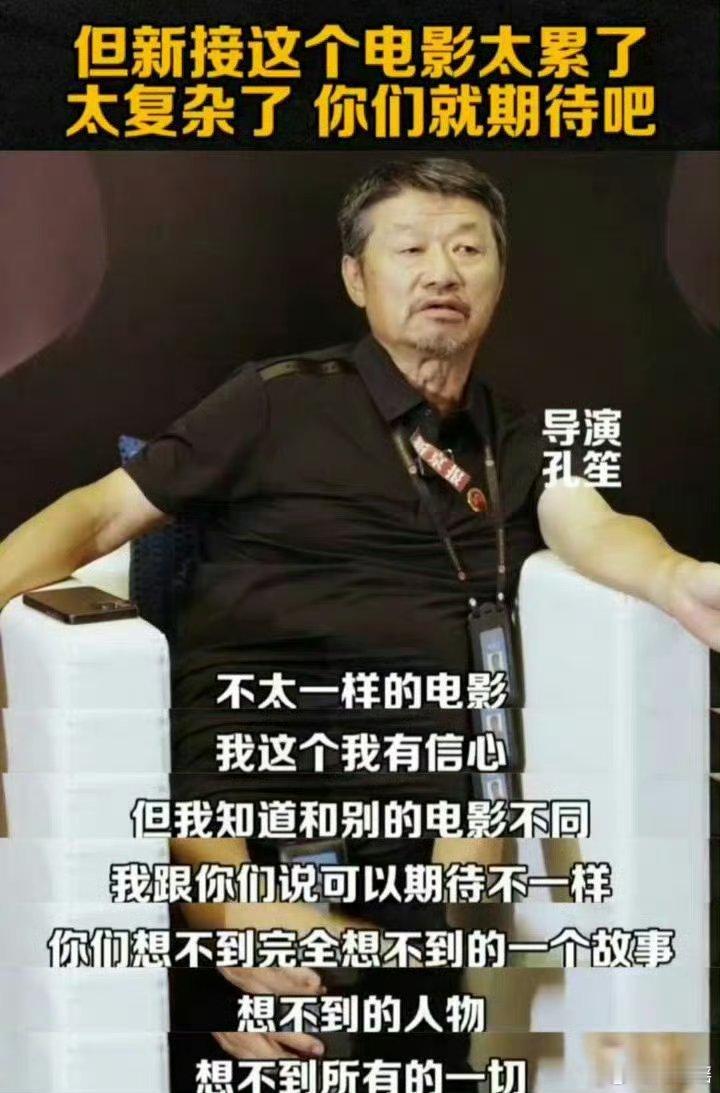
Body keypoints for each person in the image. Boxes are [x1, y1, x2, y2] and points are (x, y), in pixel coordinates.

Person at [1, 157, 718, 1090]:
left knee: (404, 1027)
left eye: (468, 250)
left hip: (408, 818)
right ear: (355, 276)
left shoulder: (512, 441)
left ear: (501, 275)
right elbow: (98, 516)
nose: (442, 272)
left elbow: (592, 523)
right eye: (410, 249)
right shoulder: (276, 399)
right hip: (245, 793)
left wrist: (679, 579)